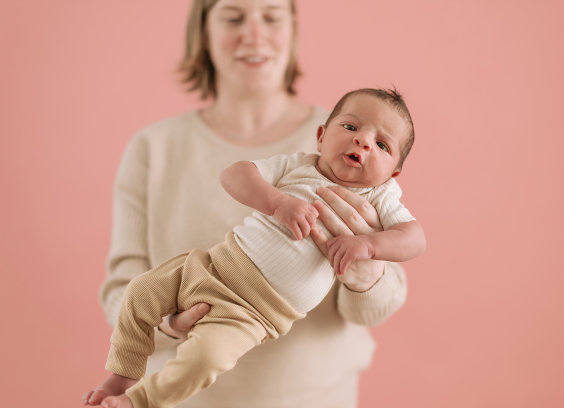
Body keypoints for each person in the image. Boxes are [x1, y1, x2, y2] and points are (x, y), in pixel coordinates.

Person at [91, 0, 426, 407]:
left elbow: (405, 253)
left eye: (271, 16)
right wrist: (171, 326)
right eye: (233, 17)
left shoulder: (375, 187)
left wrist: (367, 257)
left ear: (293, 30)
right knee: (141, 292)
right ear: (203, 33)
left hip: (297, 374)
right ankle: (120, 381)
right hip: (209, 269)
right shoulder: (304, 159)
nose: (362, 140)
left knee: (207, 356)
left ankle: (138, 401)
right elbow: (121, 289)